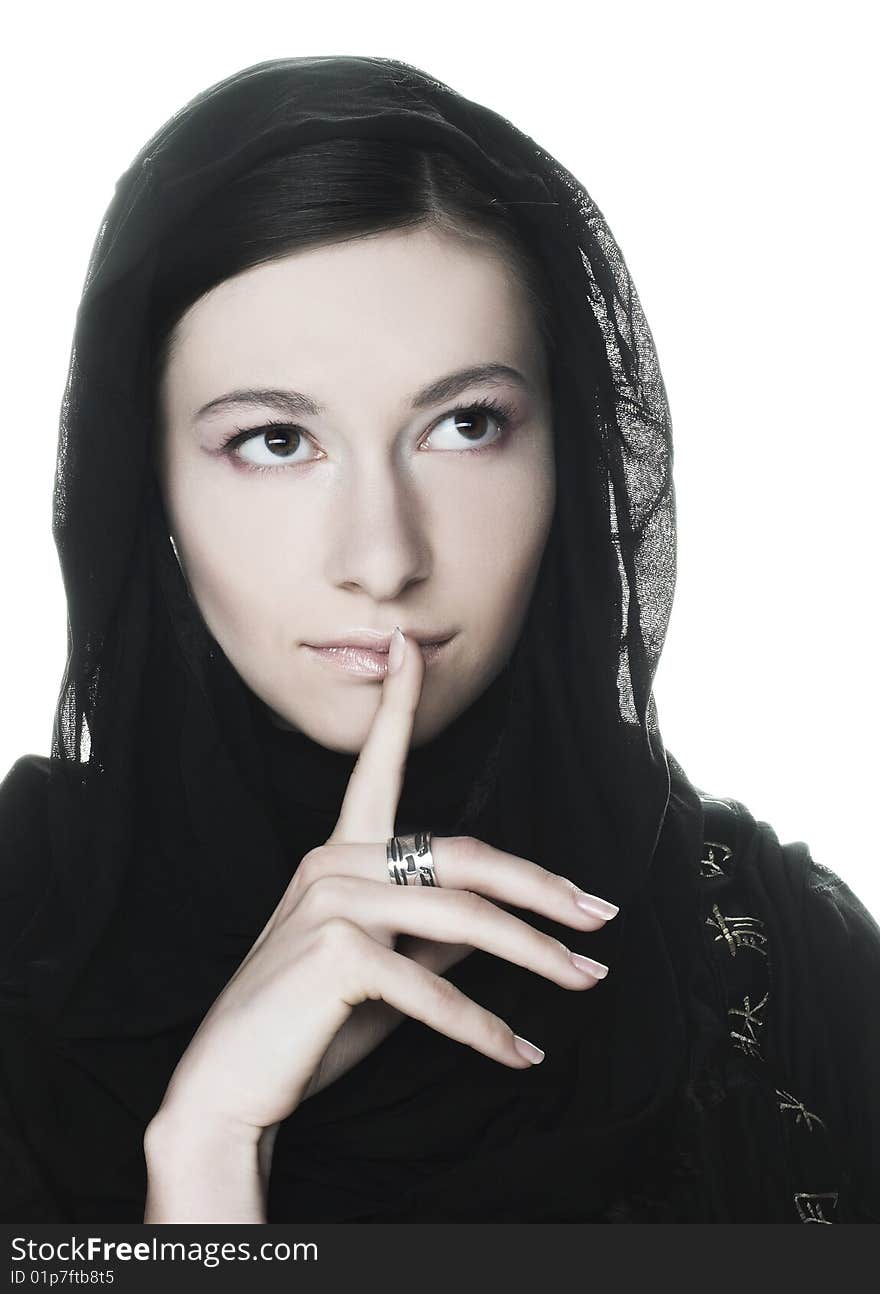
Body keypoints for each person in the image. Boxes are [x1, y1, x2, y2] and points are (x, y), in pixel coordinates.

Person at [0, 55, 878, 1225]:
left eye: (464, 425)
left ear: (569, 453)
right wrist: (207, 1149)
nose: (381, 553)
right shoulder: (20, 938)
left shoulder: (774, 963)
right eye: (272, 440)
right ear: (144, 485)